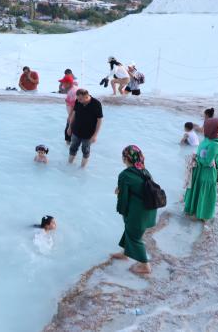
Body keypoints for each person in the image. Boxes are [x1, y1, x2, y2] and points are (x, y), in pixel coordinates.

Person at [111, 145, 158, 275]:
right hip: (150, 209)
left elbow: (123, 198)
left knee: (134, 237)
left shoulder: (125, 175)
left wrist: (122, 211)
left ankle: (145, 266)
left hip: (138, 212)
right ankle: (125, 253)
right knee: (131, 231)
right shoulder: (144, 170)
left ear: (126, 158)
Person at [184, 118, 218, 221]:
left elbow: (206, 162)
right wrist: (198, 157)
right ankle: (194, 210)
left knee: (204, 193)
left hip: (207, 173)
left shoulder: (215, 144)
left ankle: (203, 216)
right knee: (197, 190)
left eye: (206, 127)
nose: (203, 129)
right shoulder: (208, 139)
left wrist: (196, 158)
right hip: (199, 170)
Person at [66, 89, 103, 168]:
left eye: (80, 99)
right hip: (76, 131)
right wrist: (69, 127)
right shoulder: (78, 101)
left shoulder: (96, 104)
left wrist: (95, 135)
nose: (78, 101)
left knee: (85, 150)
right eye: (78, 99)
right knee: (73, 148)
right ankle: (69, 165)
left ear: (86, 97)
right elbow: (74, 114)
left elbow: (99, 120)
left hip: (88, 134)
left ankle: (82, 168)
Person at [63, 81, 80, 145]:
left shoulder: (72, 92)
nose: (63, 85)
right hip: (74, 115)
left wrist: (69, 116)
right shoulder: (72, 90)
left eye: (64, 83)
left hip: (73, 116)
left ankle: (68, 143)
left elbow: (73, 106)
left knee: (69, 131)